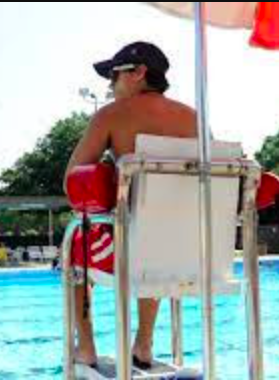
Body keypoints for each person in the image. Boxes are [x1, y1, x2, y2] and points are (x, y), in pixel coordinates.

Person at [65, 41, 197, 369]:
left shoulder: (111, 115)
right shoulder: (196, 120)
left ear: (138, 73)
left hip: (132, 252)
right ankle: (144, 343)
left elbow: (72, 183)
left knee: (74, 245)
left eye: (114, 75)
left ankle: (86, 348)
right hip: (193, 253)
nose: (109, 85)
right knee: (157, 236)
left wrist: (109, 174)